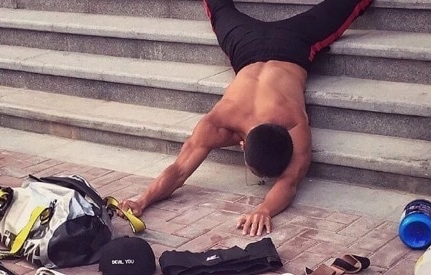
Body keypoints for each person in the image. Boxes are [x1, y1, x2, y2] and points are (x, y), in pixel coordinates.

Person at [120, 0, 373, 236]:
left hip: (266, 43)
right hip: (271, 44)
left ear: (242, 145)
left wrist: (264, 208)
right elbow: (289, 181)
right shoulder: (247, 121)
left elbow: (289, 181)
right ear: (242, 145)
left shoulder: (288, 122)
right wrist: (142, 200)